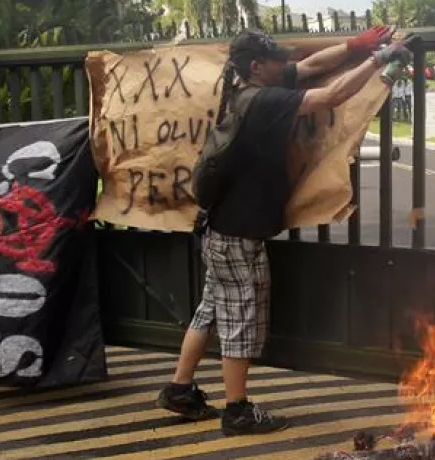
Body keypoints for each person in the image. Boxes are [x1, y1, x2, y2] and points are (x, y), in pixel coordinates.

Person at [157, 26, 411, 436]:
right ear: (258, 67)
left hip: (219, 230)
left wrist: (354, 45)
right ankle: (236, 410)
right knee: (241, 317)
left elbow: (310, 66)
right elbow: (331, 96)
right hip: (238, 235)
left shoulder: (246, 93)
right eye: (276, 58)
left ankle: (179, 389)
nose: (285, 63)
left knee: (210, 310)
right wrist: (380, 59)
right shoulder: (266, 102)